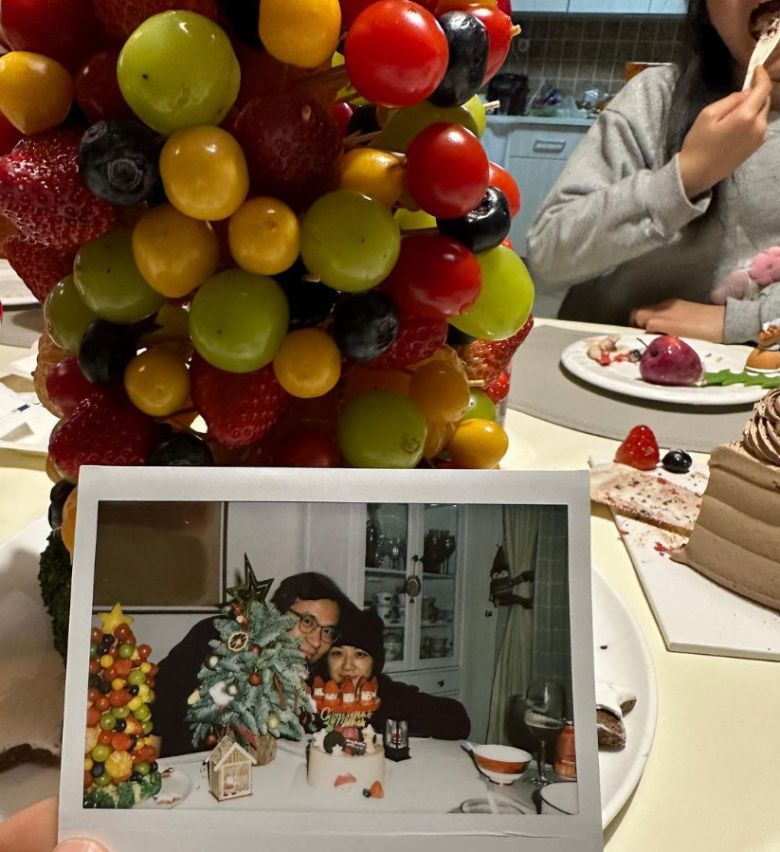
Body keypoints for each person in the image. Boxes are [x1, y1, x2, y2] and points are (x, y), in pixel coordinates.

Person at [525, 0, 780, 345]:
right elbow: (549, 254)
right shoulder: (655, 99)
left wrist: (743, 322)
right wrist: (687, 175)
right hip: (608, 352)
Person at [153, 572, 350, 757]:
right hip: (186, 767)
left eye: (328, 631)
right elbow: (158, 701)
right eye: (307, 622)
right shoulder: (220, 639)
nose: (316, 642)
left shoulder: (311, 677)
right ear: (277, 613)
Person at [314, 605, 471, 740]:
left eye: (360, 654)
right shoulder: (313, 695)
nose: (347, 666)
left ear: (375, 661)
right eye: (337, 653)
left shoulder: (389, 694)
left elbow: (458, 720)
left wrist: (382, 711)